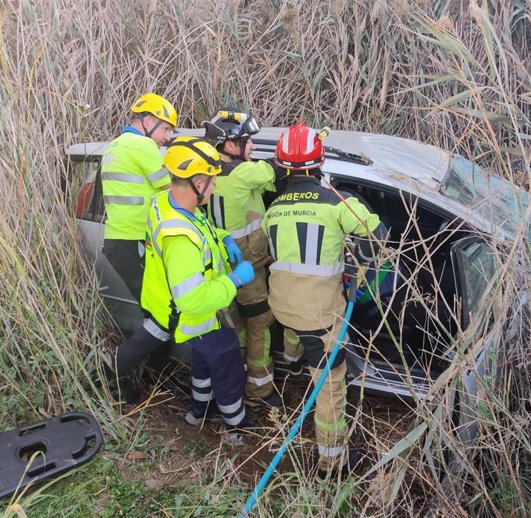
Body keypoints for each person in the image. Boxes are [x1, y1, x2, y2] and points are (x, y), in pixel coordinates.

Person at [262, 122, 388, 480]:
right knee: (331, 386)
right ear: (319, 165)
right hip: (318, 314)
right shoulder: (336, 202)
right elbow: (377, 235)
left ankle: (294, 360)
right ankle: (332, 465)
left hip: (281, 307)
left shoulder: (274, 210)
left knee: (297, 334)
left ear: (283, 167)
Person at [138, 135, 255, 429]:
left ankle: (197, 412)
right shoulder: (179, 240)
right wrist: (233, 281)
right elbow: (191, 298)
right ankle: (236, 425)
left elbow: (199, 224)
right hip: (193, 315)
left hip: (178, 312)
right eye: (212, 181)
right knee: (228, 367)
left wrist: (222, 237)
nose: (214, 187)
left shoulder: (167, 201)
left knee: (202, 362)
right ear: (197, 182)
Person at [203, 108, 302, 409]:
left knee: (241, 327)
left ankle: (240, 375)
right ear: (230, 145)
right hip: (250, 267)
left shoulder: (206, 172)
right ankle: (259, 392)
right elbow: (281, 168)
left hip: (224, 266)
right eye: (247, 141)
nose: (252, 146)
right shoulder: (245, 173)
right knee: (261, 325)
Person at [101, 92, 176, 300]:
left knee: (151, 306)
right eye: (166, 128)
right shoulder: (142, 145)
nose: (168, 137)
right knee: (158, 307)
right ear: (148, 121)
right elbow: (172, 189)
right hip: (134, 239)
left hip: (118, 240)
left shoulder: (114, 146)